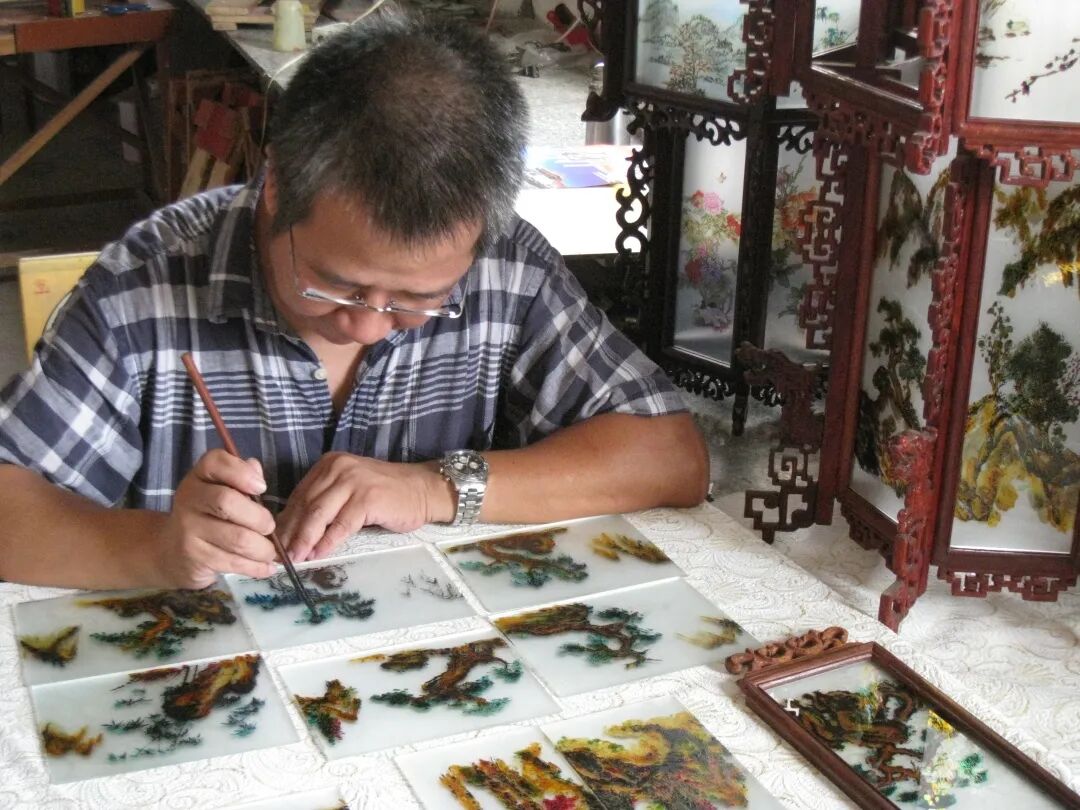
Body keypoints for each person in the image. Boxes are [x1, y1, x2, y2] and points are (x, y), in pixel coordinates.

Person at [0, 6, 707, 591]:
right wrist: (156, 549)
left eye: (419, 299)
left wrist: (434, 488)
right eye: (334, 283)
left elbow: (670, 458)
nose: (369, 326)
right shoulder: (144, 286)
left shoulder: (506, 265)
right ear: (276, 186)